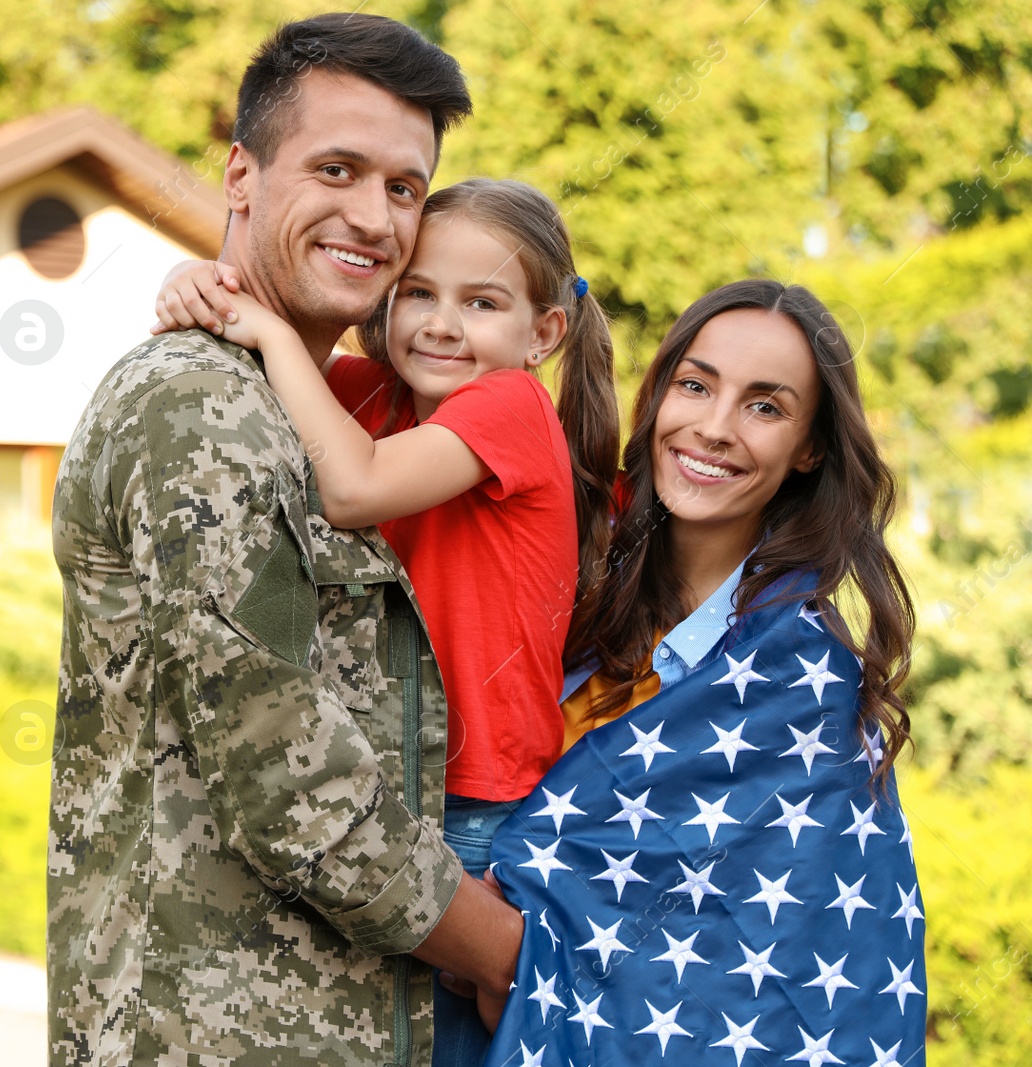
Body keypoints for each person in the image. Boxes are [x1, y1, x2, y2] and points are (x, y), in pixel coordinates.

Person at [48, 15, 526, 1067]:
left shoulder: (310, 405)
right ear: (240, 175)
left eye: (403, 187)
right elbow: (289, 772)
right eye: (337, 169)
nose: (373, 216)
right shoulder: (200, 410)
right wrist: (501, 947)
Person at [150, 177, 618, 1065]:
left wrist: (275, 334)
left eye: (482, 302)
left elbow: (354, 484)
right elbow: (243, 332)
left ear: (543, 332)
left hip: (471, 800)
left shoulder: (511, 408)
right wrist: (194, 278)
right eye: (418, 293)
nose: (442, 324)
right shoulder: (375, 394)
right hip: (383, 787)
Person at [481, 280, 924, 1066]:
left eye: (765, 406)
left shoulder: (799, 685)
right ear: (659, 395)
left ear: (810, 447)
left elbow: (725, 988)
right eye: (696, 385)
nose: (714, 428)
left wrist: (457, 925)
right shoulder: (565, 563)